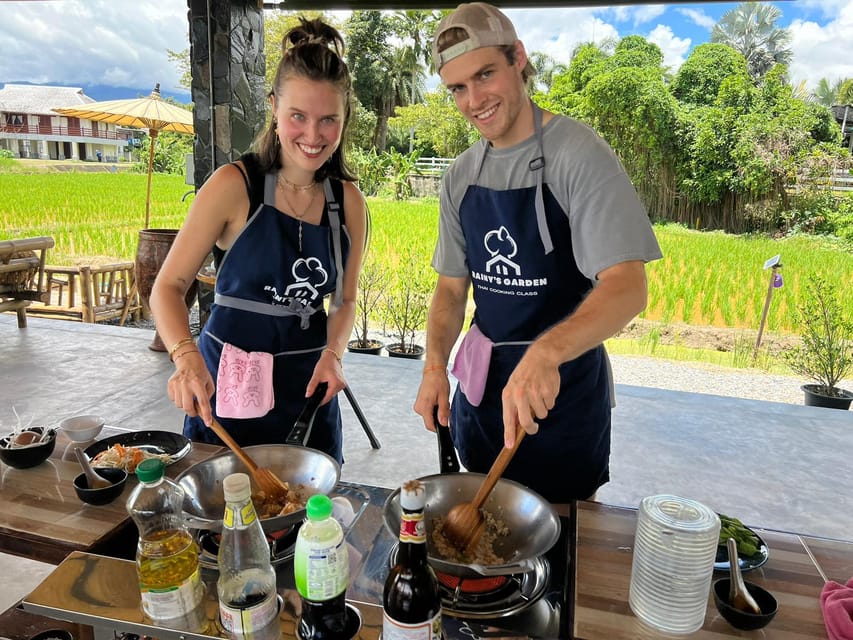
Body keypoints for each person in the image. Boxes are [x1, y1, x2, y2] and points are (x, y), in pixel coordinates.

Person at [414, 2, 662, 503]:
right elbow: (450, 287)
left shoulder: (578, 154)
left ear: (518, 58)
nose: (474, 99)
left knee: (566, 544)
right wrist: (434, 365)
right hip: (484, 395)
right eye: (458, 88)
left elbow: (627, 285)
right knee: (483, 534)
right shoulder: (460, 176)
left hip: (563, 394)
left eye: (485, 74)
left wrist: (546, 351)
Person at [150, 18, 366, 464]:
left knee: (310, 521)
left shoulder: (349, 202)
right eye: (298, 116)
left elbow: (344, 300)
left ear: (345, 119)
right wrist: (185, 356)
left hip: (310, 390)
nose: (313, 135)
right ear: (273, 107)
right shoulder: (234, 185)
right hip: (228, 388)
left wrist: (335, 354)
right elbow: (168, 287)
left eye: (329, 119)